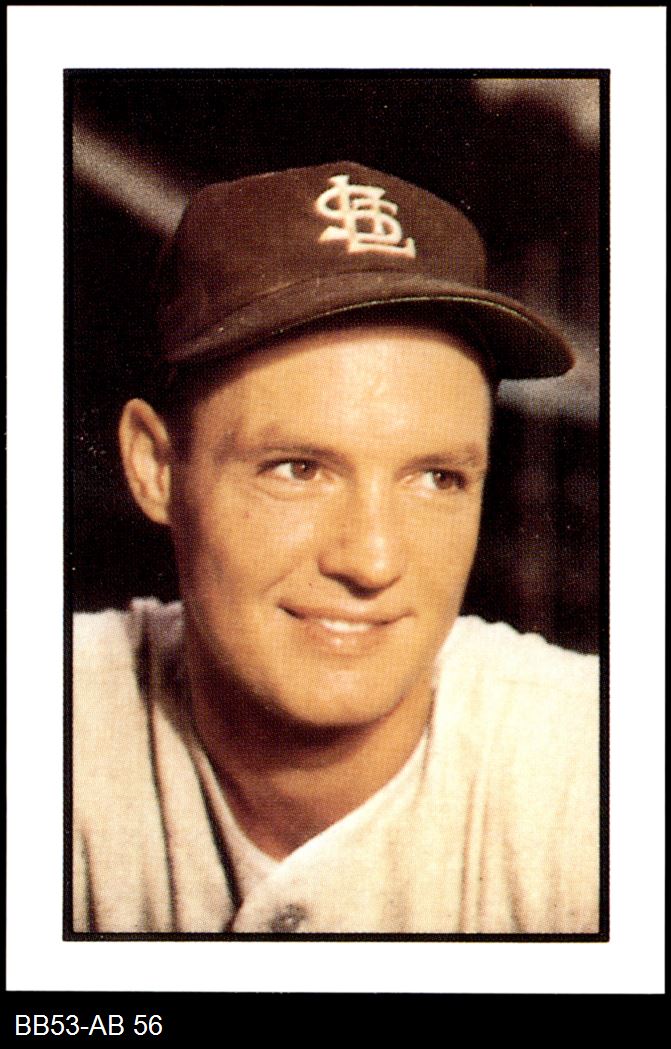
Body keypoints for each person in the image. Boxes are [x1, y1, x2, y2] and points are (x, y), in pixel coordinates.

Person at [72, 161, 599, 935]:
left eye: (436, 477)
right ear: (156, 466)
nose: (372, 559)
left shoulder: (595, 771)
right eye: (297, 468)